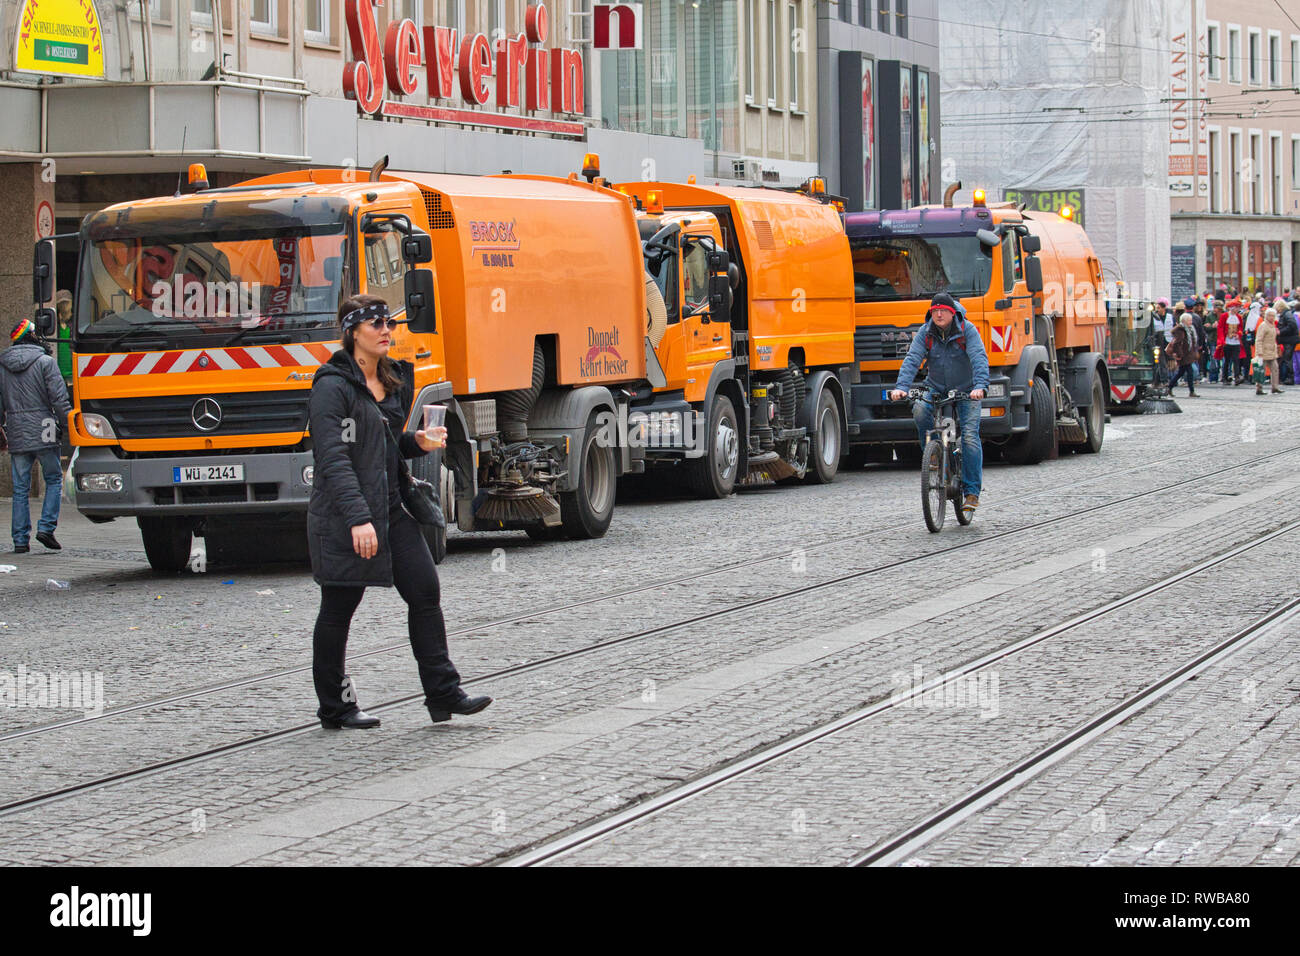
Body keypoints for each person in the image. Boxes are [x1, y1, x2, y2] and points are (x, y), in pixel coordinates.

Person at [307, 294, 491, 730]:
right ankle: (335, 707)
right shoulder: (331, 387)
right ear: (354, 332)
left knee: (425, 591)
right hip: (345, 517)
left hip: (390, 509)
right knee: (338, 608)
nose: (386, 330)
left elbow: (383, 450)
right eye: (375, 324)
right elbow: (333, 460)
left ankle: (443, 693)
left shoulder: (389, 381)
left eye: (388, 322)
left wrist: (417, 443)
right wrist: (357, 518)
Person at [889, 292, 990, 514]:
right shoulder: (926, 332)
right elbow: (913, 359)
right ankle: (934, 455)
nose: (939, 314)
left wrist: (980, 387)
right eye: (935, 311)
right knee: (919, 409)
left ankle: (971, 493)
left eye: (943, 310)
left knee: (970, 437)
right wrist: (901, 388)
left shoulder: (967, 331)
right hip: (935, 386)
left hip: (967, 388)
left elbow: (979, 357)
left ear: (952, 312)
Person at [0, 318, 71, 553]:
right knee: (53, 478)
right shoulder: (45, 362)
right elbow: (59, 399)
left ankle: (20, 540)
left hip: (17, 427)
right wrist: (68, 423)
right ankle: (46, 528)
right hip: (45, 425)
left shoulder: (2, 365)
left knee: (20, 487)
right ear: (31, 336)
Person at [1253, 307, 1283, 395]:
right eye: (1270, 316)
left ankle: (1275, 387)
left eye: (1273, 316)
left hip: (1272, 351)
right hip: (1263, 352)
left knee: (1275, 369)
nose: (1272, 317)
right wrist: (1259, 352)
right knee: (1261, 370)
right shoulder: (1263, 325)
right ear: (1266, 316)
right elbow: (1258, 340)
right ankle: (1259, 388)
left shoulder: (1273, 325)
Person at [1167, 320, 1198, 397]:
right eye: (1189, 320)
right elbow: (1177, 343)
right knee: (1190, 372)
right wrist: (1179, 354)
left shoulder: (1189, 329)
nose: (1191, 322)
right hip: (1183, 355)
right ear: (1184, 321)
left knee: (1180, 372)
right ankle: (1192, 391)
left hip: (1187, 354)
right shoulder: (1180, 330)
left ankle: (1169, 387)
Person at [1220, 299, 1244, 385]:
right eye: (1237, 307)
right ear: (1232, 308)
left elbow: (1241, 328)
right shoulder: (1224, 316)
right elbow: (1221, 328)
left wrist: (1239, 334)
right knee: (1227, 360)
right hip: (1227, 341)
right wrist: (1222, 339)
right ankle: (1225, 377)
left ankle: (1236, 377)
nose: (1238, 309)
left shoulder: (1239, 317)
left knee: (1236, 359)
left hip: (1236, 341)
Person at [1275, 299, 1298, 386]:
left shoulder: (1286, 314)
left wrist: (1281, 331)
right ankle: (1289, 377)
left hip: (1289, 340)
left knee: (1288, 359)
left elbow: (1292, 325)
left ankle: (1290, 378)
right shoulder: (1287, 314)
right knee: (1287, 358)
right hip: (1289, 339)